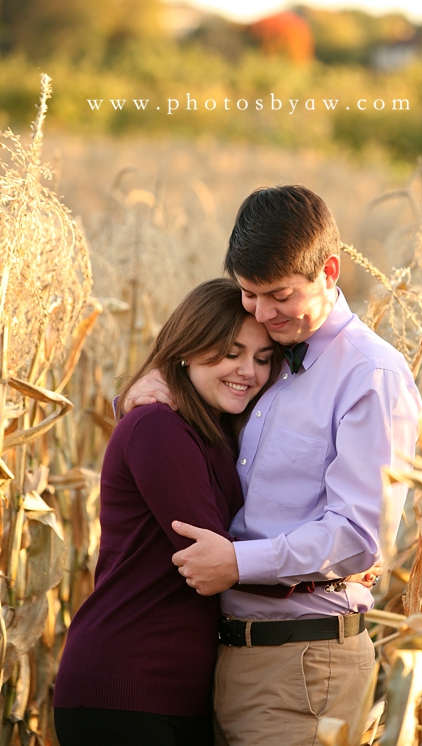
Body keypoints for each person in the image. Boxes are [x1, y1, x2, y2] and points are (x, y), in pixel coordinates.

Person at [121, 185, 422, 744]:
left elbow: (359, 537)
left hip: (306, 664)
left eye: (278, 295)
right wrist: (159, 378)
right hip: (231, 658)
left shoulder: (369, 376)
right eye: (248, 294)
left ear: (329, 271)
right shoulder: (270, 360)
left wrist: (238, 562)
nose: (261, 313)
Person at [53, 278, 279, 745]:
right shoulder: (157, 423)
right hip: (124, 687)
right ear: (187, 348)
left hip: (174, 693)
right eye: (231, 352)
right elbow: (207, 557)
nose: (248, 372)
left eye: (262, 359)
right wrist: (327, 571)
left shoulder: (215, 430)